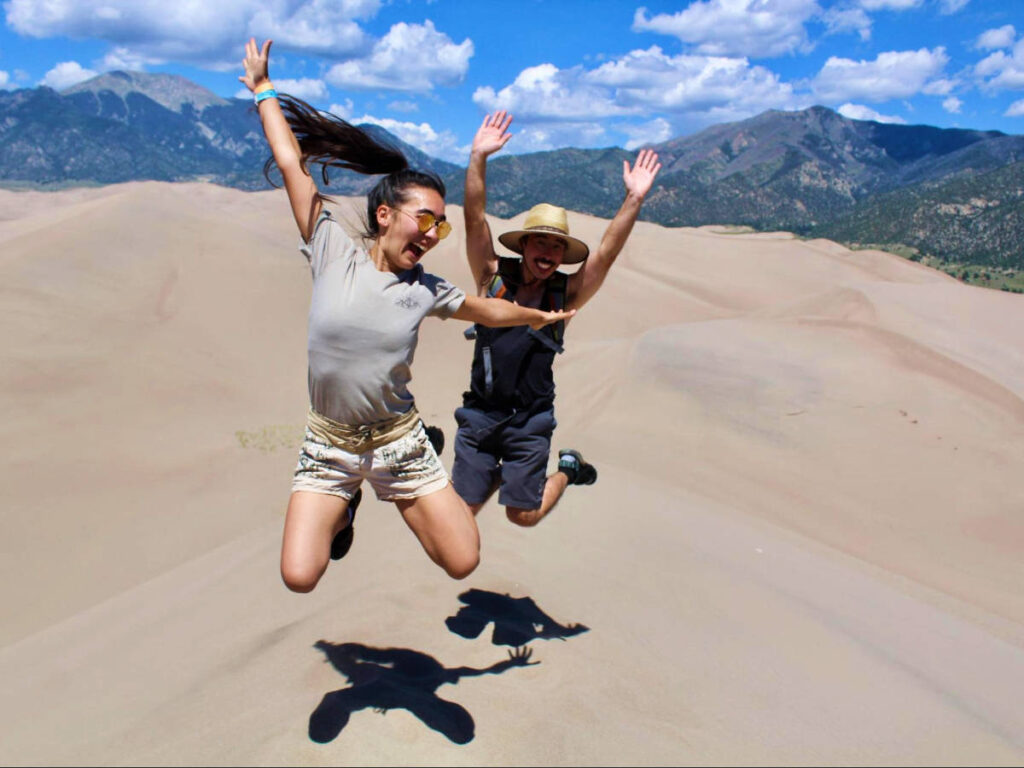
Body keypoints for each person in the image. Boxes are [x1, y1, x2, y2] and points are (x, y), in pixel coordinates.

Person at [239, 41, 575, 592]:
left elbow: (483, 308)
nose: (433, 233)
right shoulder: (330, 247)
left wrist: (533, 317)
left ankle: (414, 463)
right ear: (385, 214)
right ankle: (347, 503)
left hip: (399, 440)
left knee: (464, 560)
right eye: (426, 219)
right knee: (300, 575)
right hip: (331, 443)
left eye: (441, 226)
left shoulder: (425, 288)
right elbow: (289, 163)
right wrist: (263, 91)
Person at [452, 110, 661, 527]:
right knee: (459, 517)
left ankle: (568, 467)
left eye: (557, 247)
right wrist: (478, 158)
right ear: (524, 244)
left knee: (523, 515)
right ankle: (496, 475)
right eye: (540, 243)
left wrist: (634, 198)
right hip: (480, 414)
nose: (548, 254)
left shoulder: (564, 293)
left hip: (530, 420)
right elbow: (474, 219)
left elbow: (606, 253)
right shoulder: (492, 278)